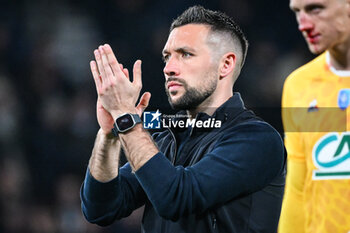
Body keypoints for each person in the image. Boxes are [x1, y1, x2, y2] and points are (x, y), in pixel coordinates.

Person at [80, 5, 286, 233]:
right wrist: (110, 134)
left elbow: (177, 198)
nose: (169, 68)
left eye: (185, 54)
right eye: (167, 57)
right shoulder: (165, 138)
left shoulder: (256, 140)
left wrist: (127, 118)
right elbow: (100, 209)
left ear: (225, 65)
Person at [278, 0, 350, 233]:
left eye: (315, 9)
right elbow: (297, 186)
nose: (303, 24)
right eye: (297, 12)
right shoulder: (298, 85)